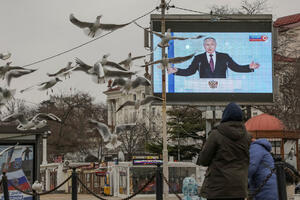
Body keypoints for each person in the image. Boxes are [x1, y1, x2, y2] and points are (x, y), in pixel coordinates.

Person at [197, 102, 251, 200]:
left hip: (218, 189)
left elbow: (203, 160)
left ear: (225, 116)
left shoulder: (215, 135)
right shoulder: (247, 137)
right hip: (239, 189)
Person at [168, 37, 260, 78]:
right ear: (204, 46)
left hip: (222, 89)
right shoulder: (198, 58)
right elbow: (190, 71)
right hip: (204, 89)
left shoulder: (224, 56)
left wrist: (249, 67)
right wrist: (177, 71)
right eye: (207, 45)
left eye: (212, 44)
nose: (210, 47)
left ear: (215, 45)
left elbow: (236, 68)